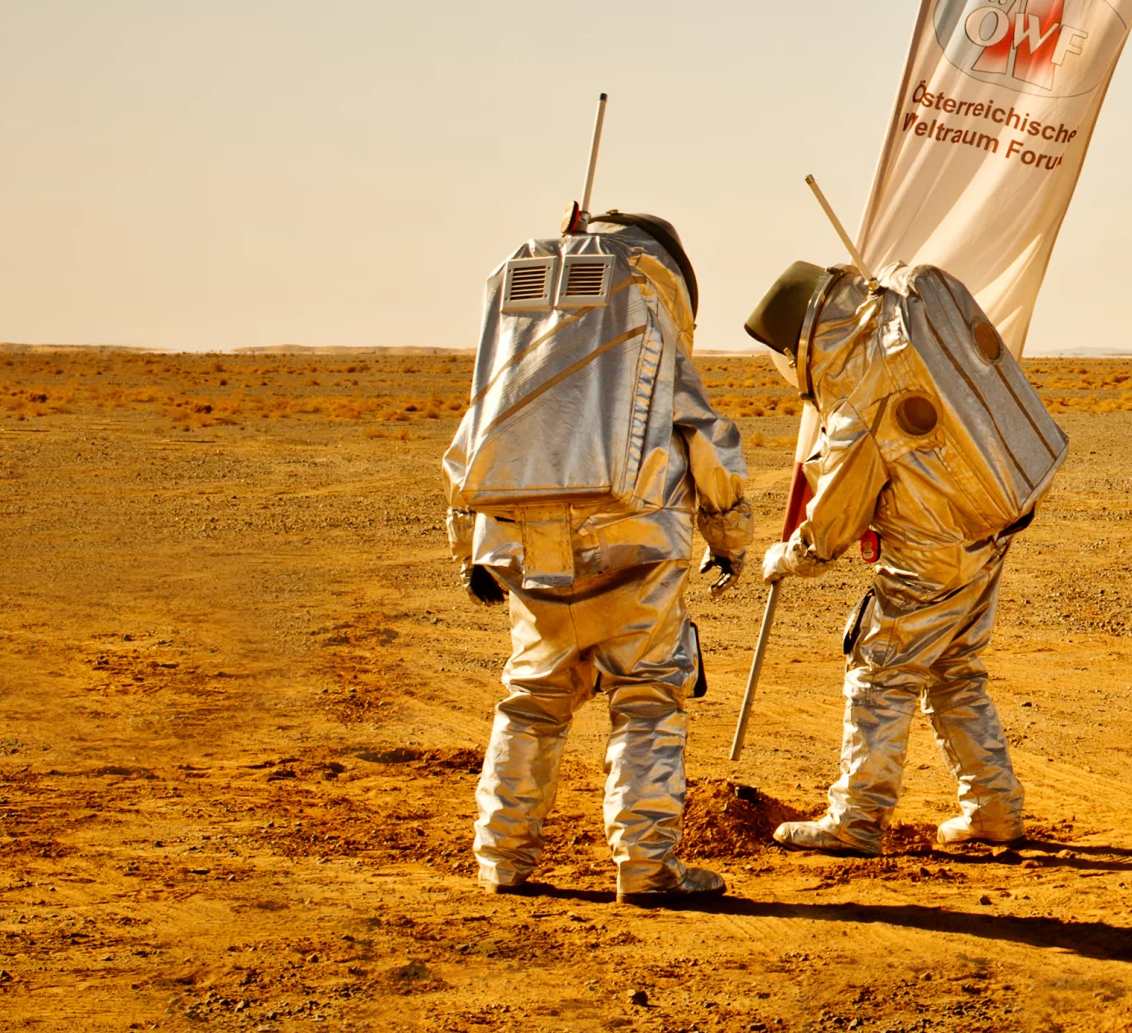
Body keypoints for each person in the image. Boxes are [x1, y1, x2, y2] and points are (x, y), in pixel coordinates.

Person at [444, 211, 753, 904]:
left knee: (531, 700)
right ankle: (646, 869)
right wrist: (730, 543)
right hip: (635, 547)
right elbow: (706, 441)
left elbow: (471, 443)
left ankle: (502, 859)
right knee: (646, 702)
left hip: (528, 545)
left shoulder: (518, 340)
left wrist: (471, 548)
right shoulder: (647, 330)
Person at [741, 260, 1060, 856]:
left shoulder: (859, 395)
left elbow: (831, 527)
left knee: (878, 672)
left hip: (929, 555)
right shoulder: (894, 321)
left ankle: (856, 819)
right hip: (987, 532)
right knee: (955, 672)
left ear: (800, 344)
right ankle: (993, 811)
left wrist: (787, 557)